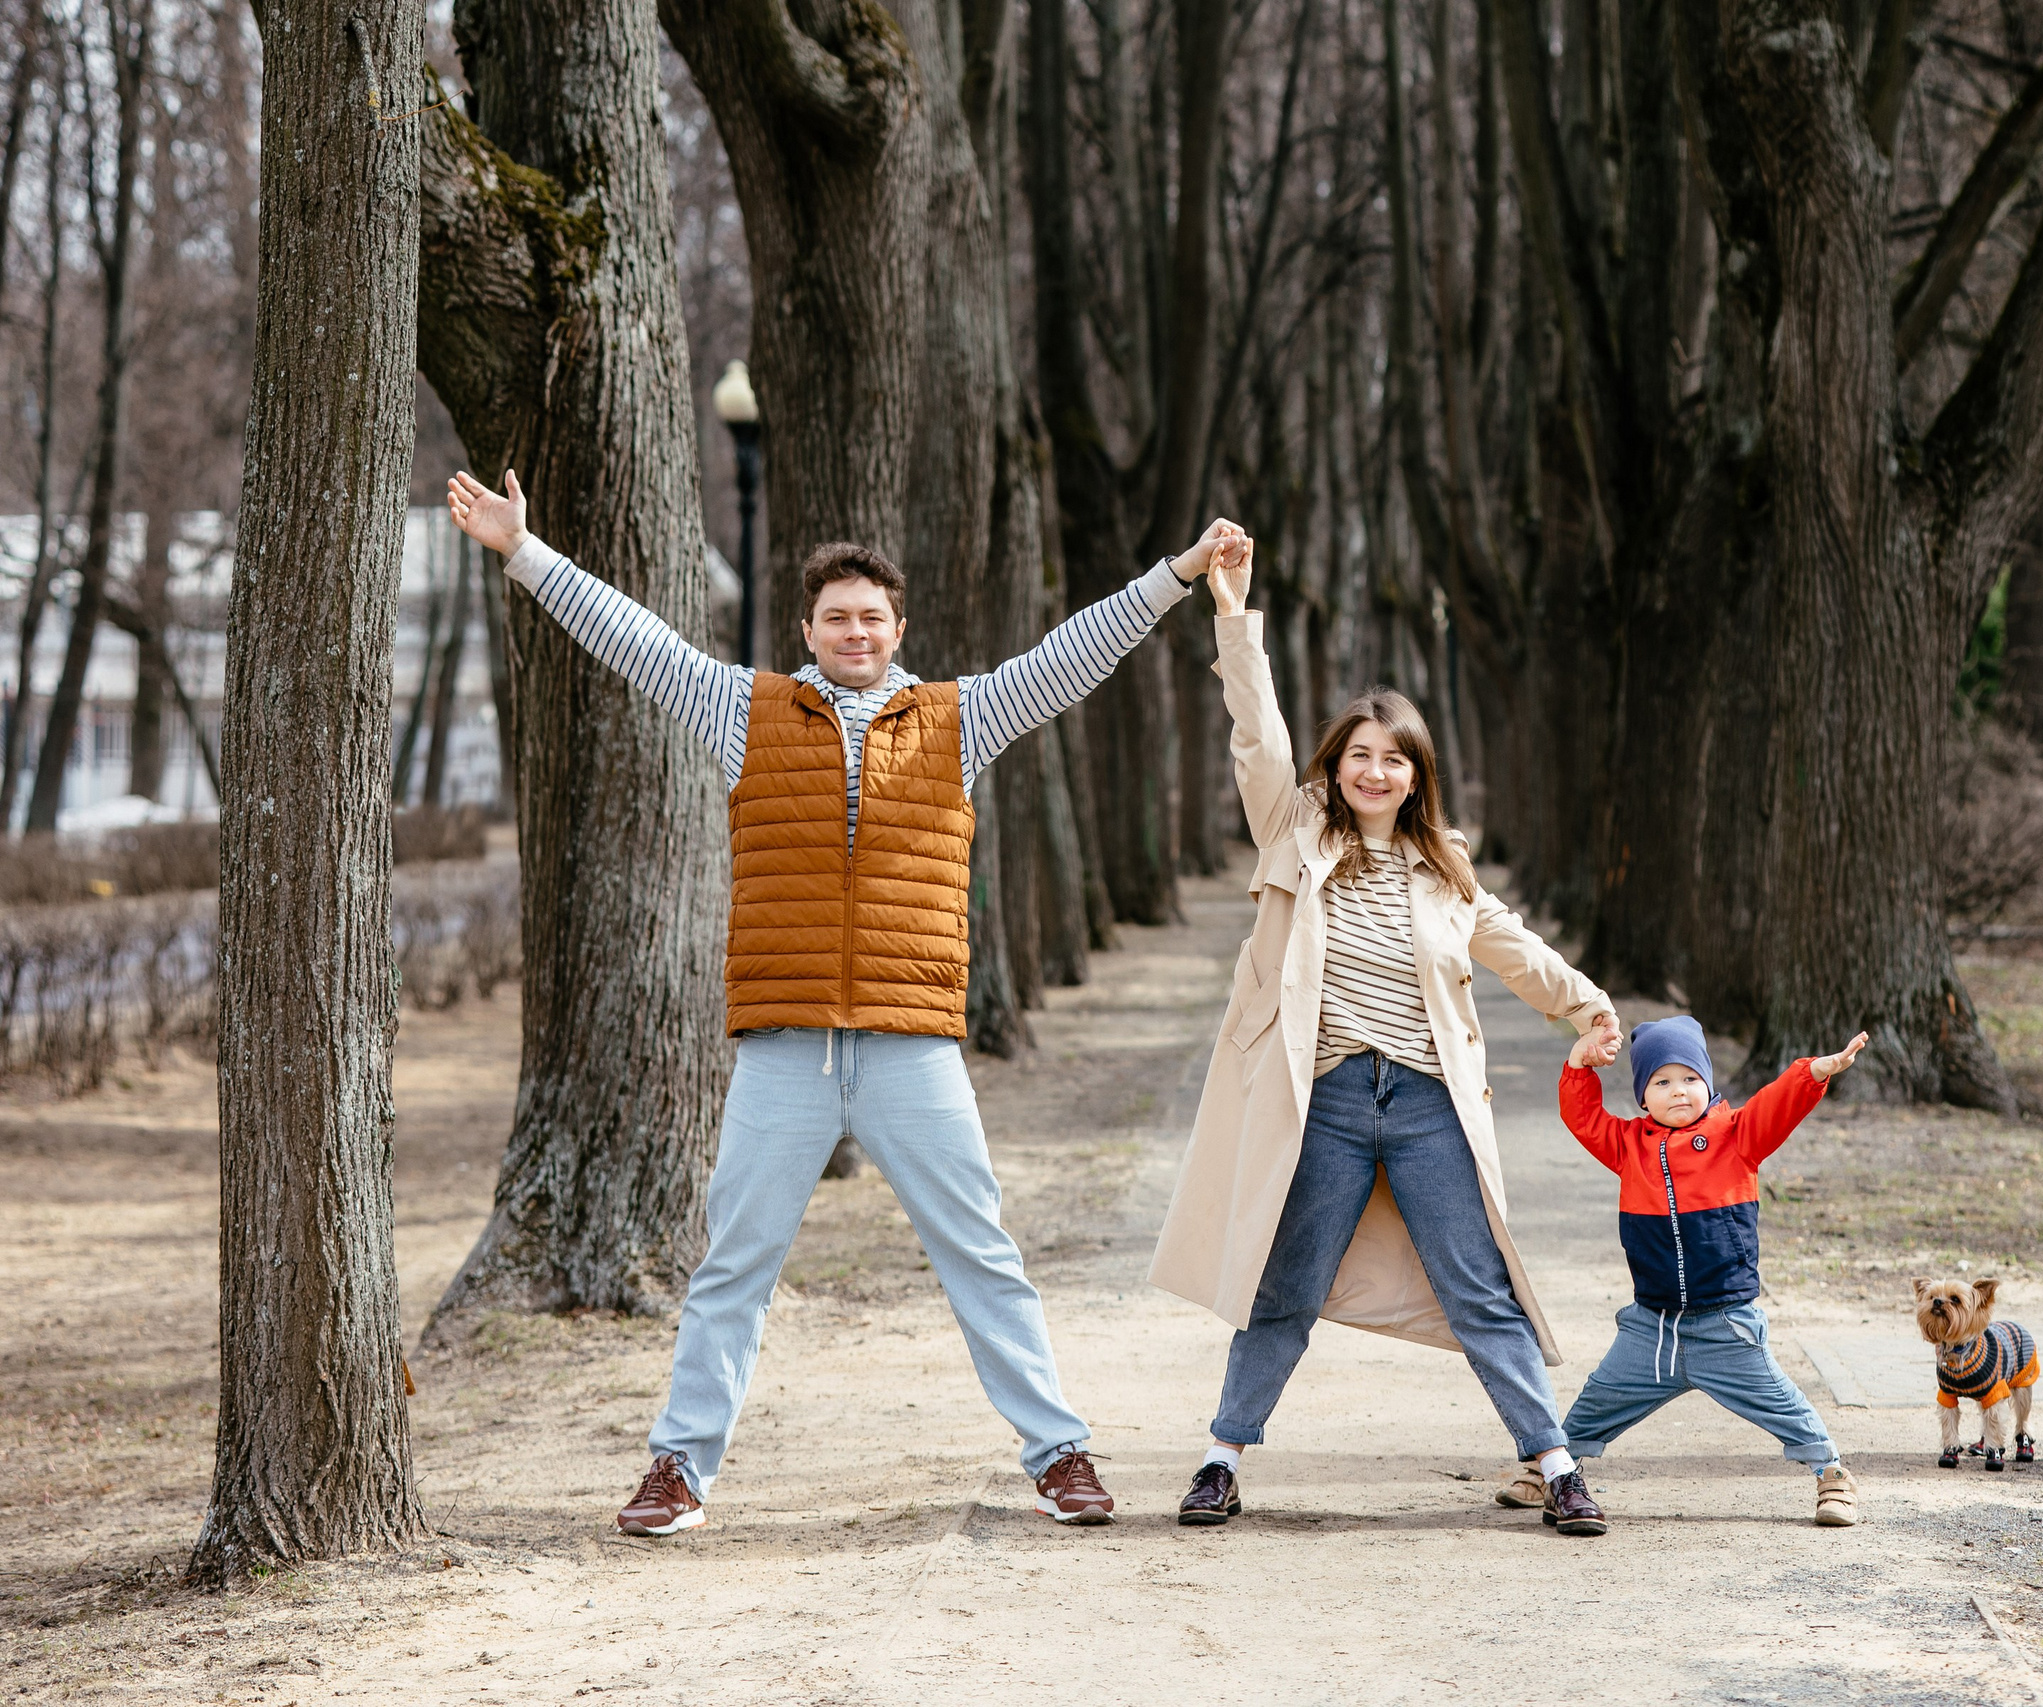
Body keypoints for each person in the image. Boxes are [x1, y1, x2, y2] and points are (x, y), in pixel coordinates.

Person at [445, 468, 1244, 1534]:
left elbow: (1071, 654)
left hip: (910, 1049)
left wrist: (1179, 575)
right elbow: (635, 640)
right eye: (836, 618)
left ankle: (1058, 1452)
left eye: (871, 617)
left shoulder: (961, 717)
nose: (854, 632)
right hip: (784, 1051)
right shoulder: (745, 710)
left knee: (983, 1256)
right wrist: (522, 552)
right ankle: (678, 1469)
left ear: (898, 626)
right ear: (809, 629)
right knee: (733, 1265)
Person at [1148, 531, 1625, 1537]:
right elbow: (1256, 736)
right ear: (1337, 766)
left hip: (1422, 1104)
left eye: (1392, 759)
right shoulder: (1295, 831)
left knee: (1479, 1288)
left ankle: (1556, 1465)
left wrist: (1586, 1003)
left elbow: (1514, 948)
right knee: (1285, 1287)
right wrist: (1233, 617)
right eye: (1358, 755)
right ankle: (1220, 1459)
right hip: (1320, 1099)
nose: (1374, 770)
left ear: (1416, 776)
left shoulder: (1445, 870)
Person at [1550, 1014, 1870, 1530]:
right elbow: (1582, 1117)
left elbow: (1776, 1104)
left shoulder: (1737, 1135)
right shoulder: (1628, 1146)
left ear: (1709, 1083)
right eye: (1662, 1081)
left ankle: (1831, 1474)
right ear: (1641, 1096)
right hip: (1652, 1327)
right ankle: (1551, 1471)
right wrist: (1577, 1066)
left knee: (1781, 1402)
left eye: (1691, 1079)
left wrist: (1814, 1073)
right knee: (1597, 1399)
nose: (1679, 1092)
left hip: (1726, 1323)